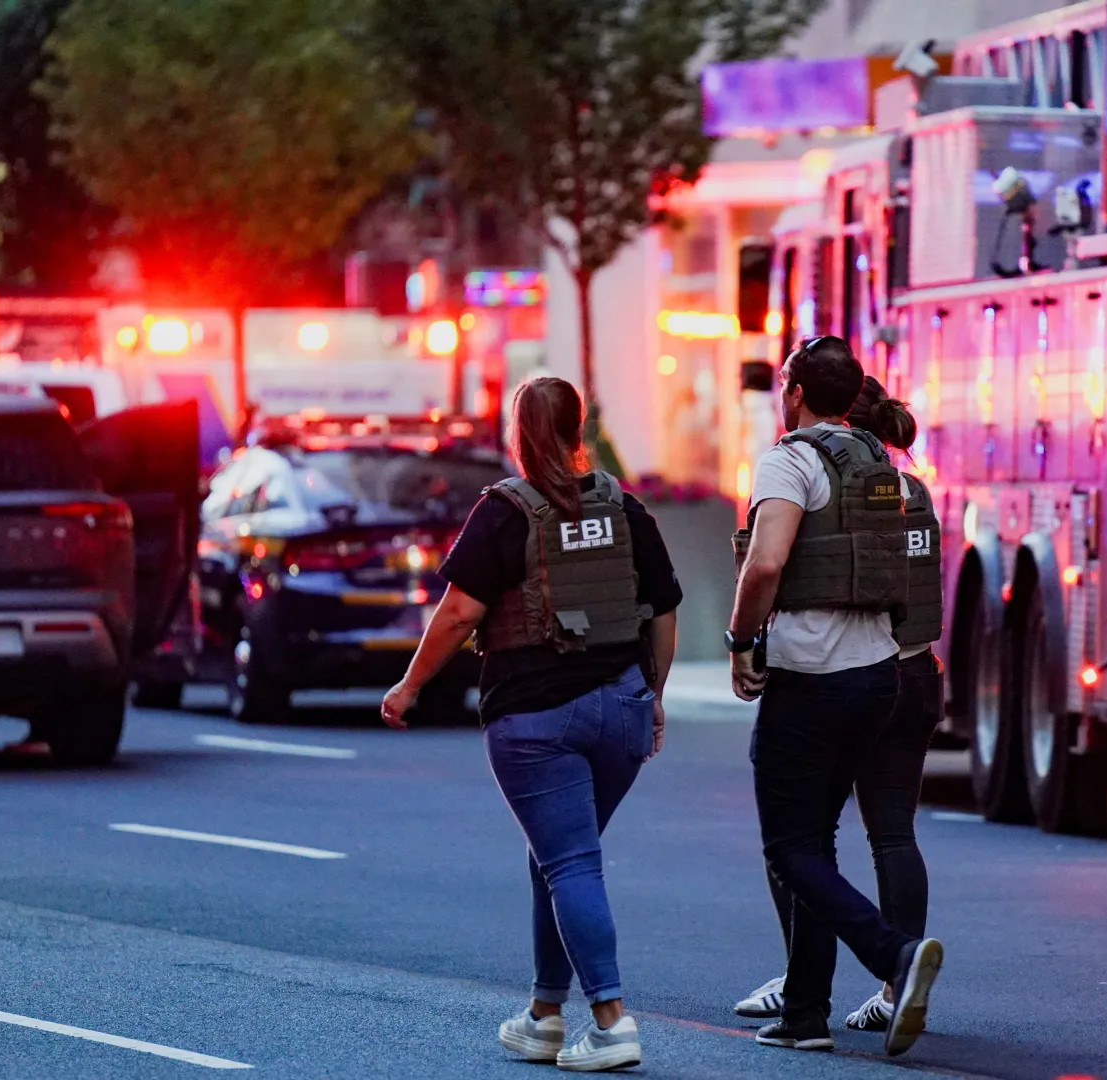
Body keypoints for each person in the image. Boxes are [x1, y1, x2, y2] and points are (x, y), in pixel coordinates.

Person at [380, 377, 680, 1072]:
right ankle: (546, 1014)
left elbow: (459, 613)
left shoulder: (505, 513)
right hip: (621, 709)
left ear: (516, 434)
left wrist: (409, 686)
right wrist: (652, 693)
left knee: (570, 859)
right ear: (582, 430)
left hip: (536, 719)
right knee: (557, 853)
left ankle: (610, 1019)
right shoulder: (625, 509)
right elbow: (663, 608)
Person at [728, 337, 943, 1057]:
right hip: (880, 673)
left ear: (792, 393)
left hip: (811, 676)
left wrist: (738, 640)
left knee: (792, 848)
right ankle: (806, 1013)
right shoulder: (881, 463)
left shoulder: (792, 460)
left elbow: (764, 566)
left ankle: (895, 957)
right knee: (817, 842)